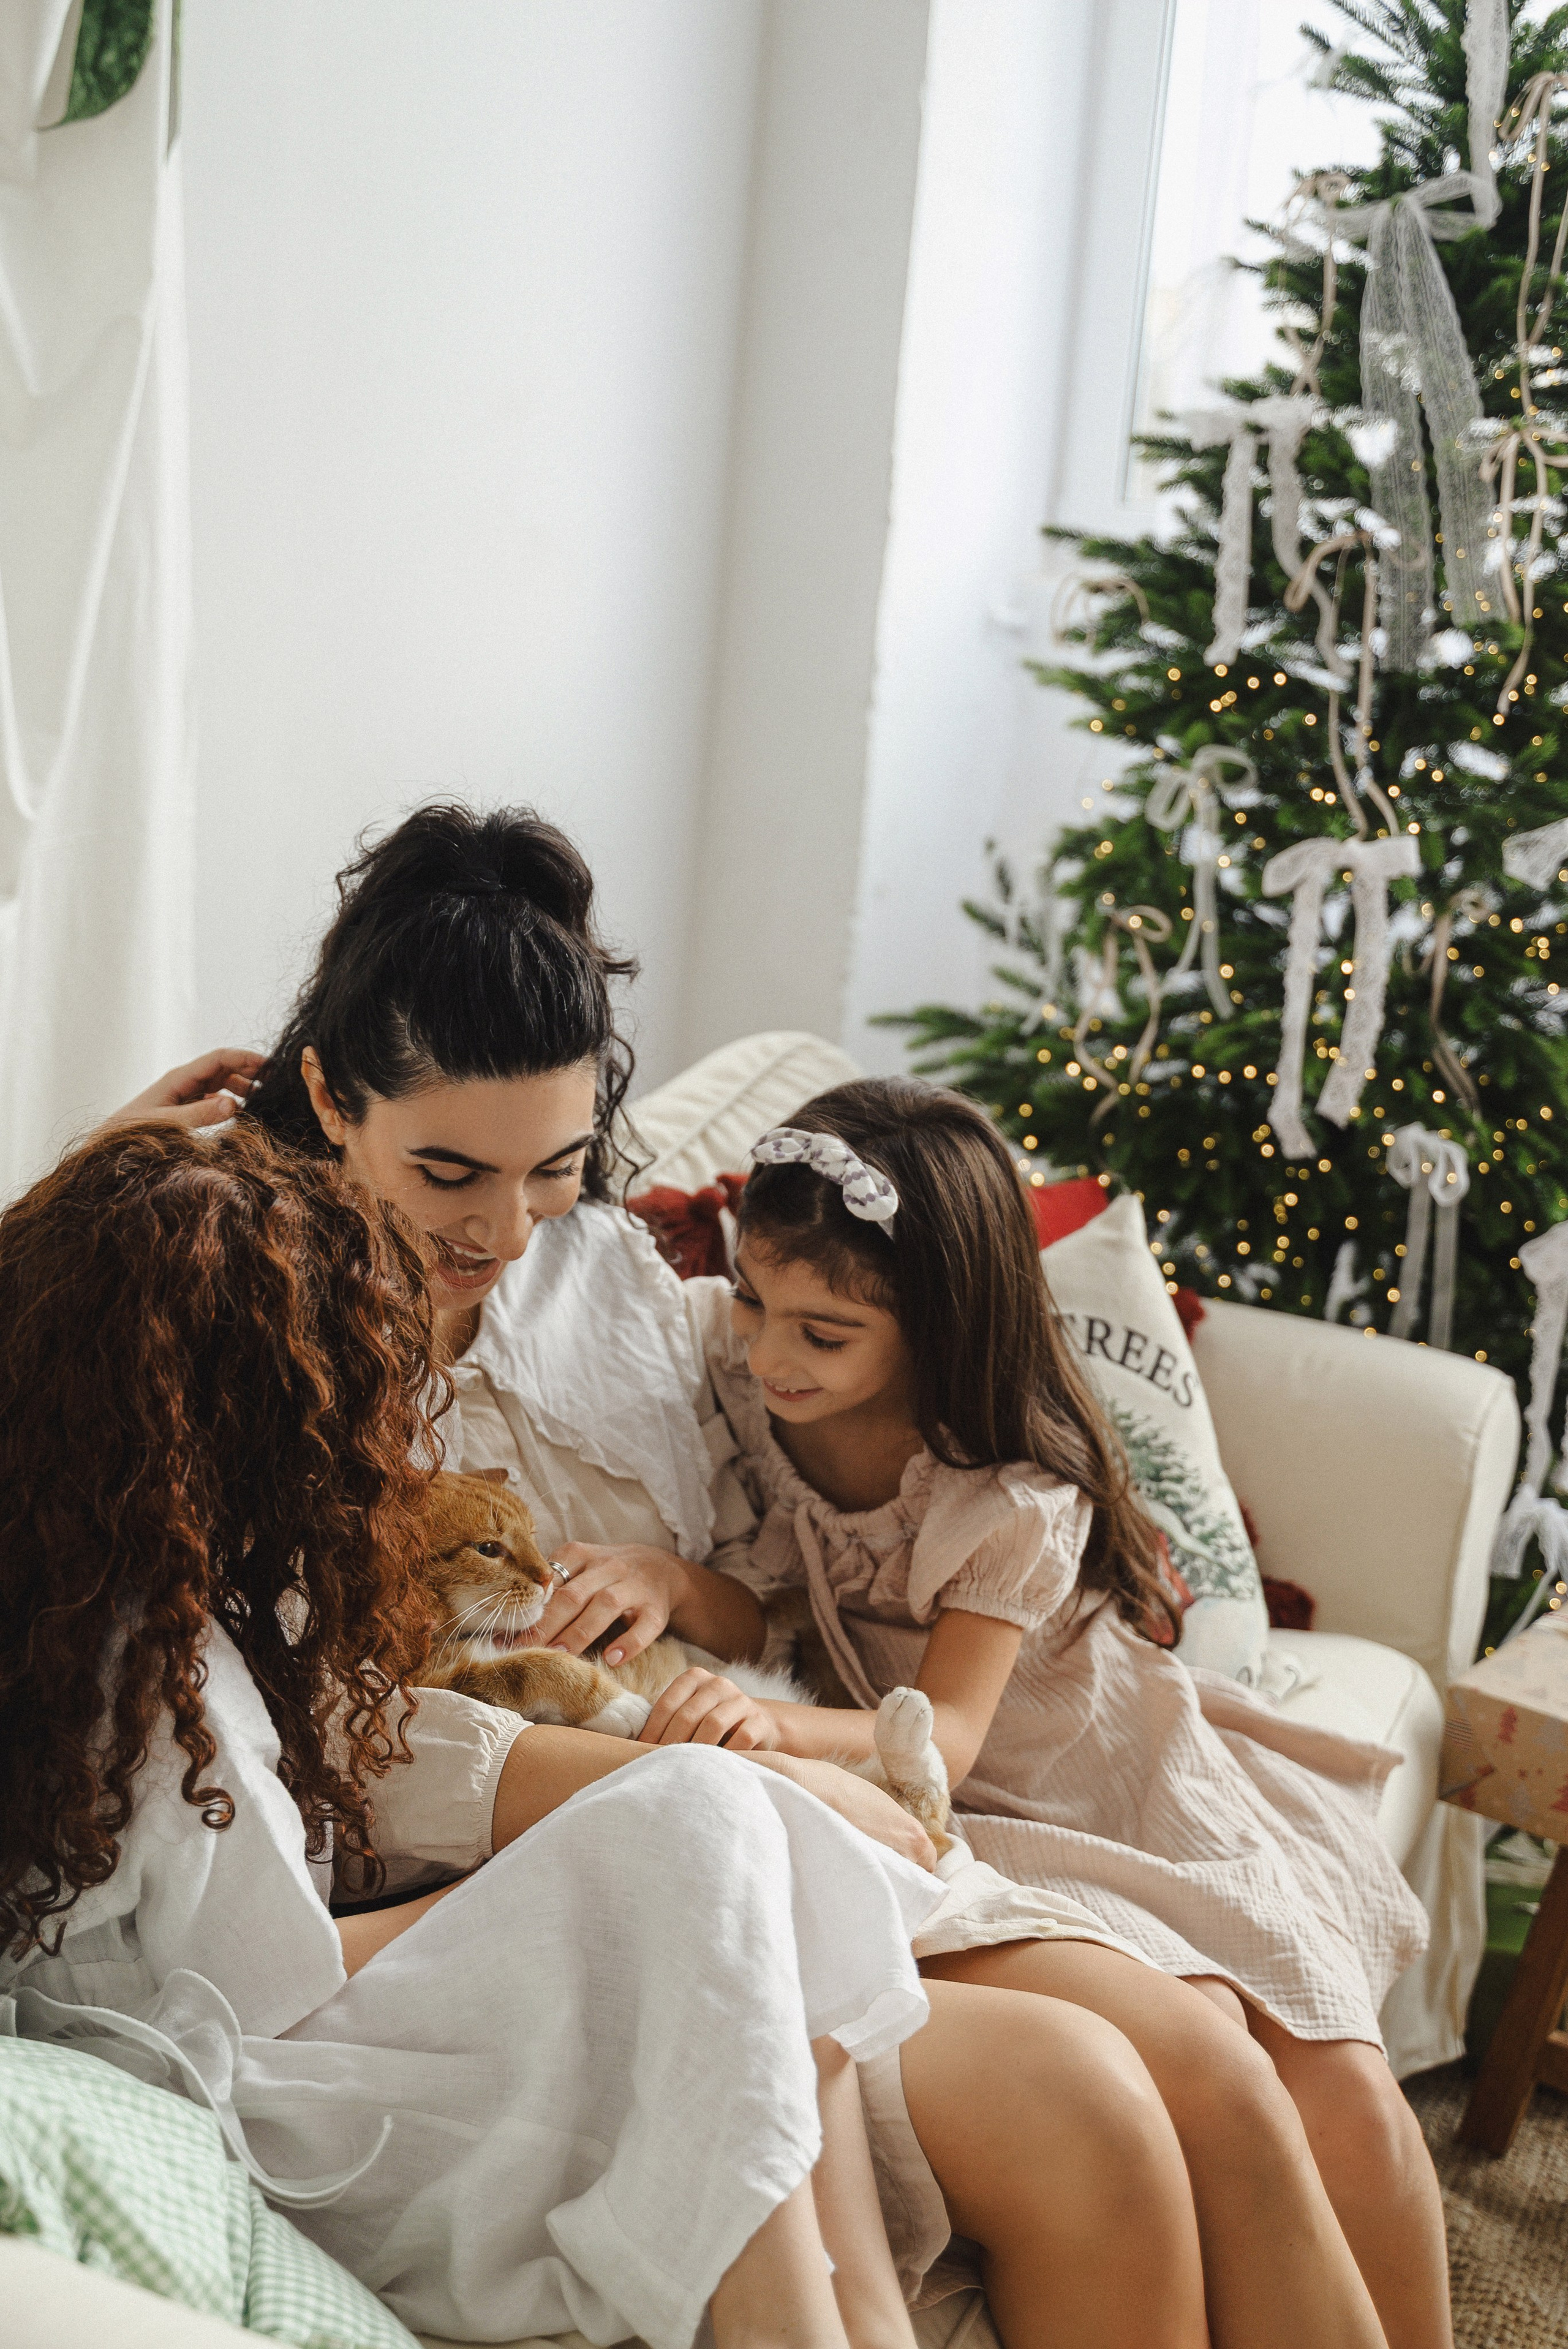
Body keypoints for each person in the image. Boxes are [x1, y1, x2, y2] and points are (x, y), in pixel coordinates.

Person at [130, 800, 1390, 2343]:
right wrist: (92, 1182)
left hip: (748, 1779)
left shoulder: (615, 1287)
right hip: (572, 1866)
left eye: (551, 1169)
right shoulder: (236, 1318)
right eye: (449, 1171)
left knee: (1220, 2073)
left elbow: (769, 1584)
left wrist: (678, 1587)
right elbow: (286, 1720)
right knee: (1095, 2102)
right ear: (331, 1094)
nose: (503, 1231)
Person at [0, 1120, 1218, 2349]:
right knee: (690, 1828)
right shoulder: (158, 1668)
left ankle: (824, 2309)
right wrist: (578, 1879)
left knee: (712, 1853)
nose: (362, 1454)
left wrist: (616, 1852)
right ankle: (802, 2314)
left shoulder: (142, 1599)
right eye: (333, 1409)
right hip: (278, 2084)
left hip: (286, 2016)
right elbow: (264, 1991)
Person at [620, 1079, 1450, 2349]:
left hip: (1094, 1778)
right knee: (1209, 2052)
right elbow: (772, 1602)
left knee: (1340, 2092)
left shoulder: (1002, 1493)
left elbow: (948, 1737)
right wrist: (674, 1584)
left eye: (822, 1333)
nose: (769, 1354)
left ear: (935, 1328)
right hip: (957, 1809)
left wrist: (767, 1726)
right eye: (751, 1302)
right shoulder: (748, 1385)